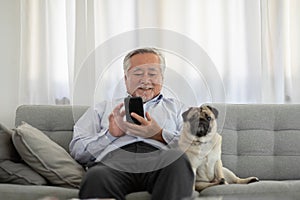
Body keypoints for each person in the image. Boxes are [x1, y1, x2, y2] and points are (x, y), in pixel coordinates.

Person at [69, 47, 194, 200]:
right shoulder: (102, 108)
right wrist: (109, 136)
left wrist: (159, 135)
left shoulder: (179, 109)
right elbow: (77, 151)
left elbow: (195, 147)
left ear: (162, 77)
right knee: (96, 175)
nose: (145, 80)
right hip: (113, 162)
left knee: (177, 161)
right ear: (126, 77)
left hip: (161, 160)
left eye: (153, 74)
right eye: (138, 73)